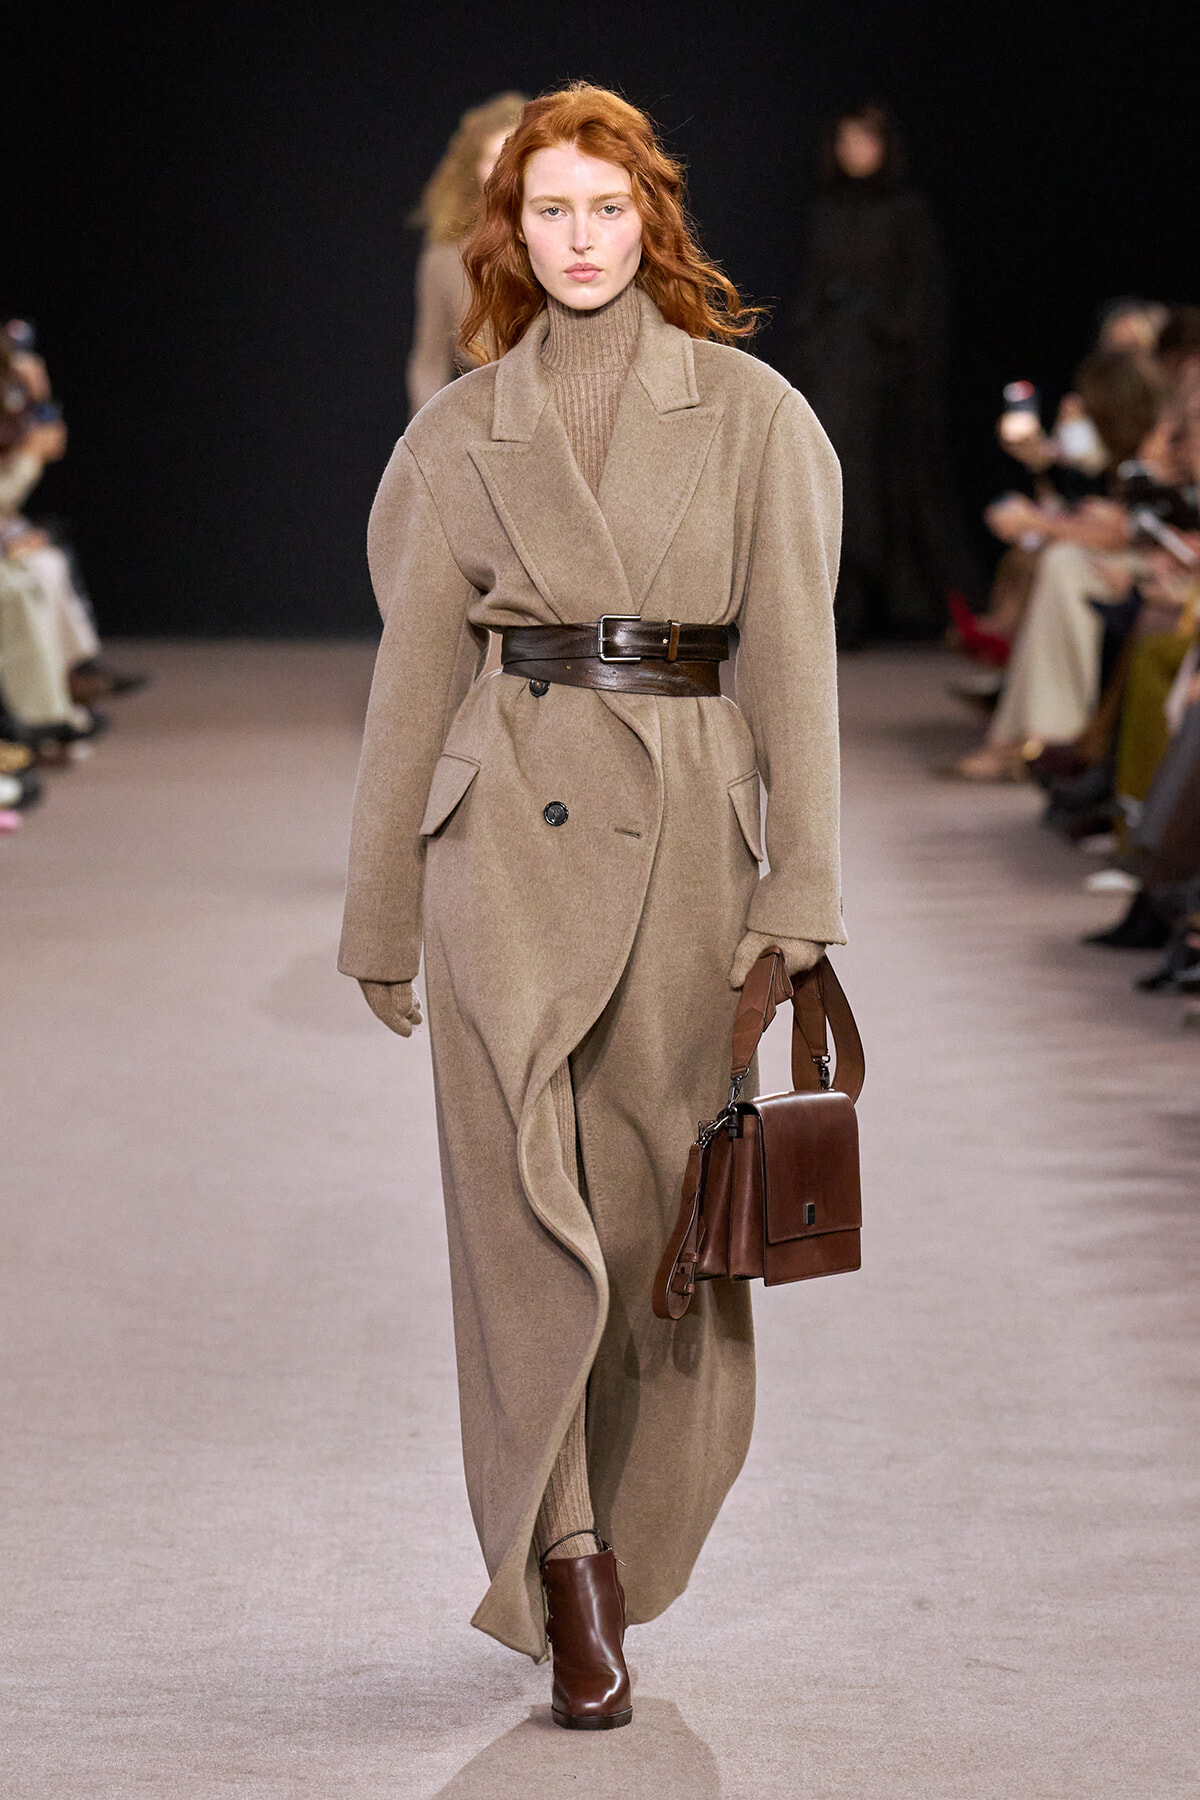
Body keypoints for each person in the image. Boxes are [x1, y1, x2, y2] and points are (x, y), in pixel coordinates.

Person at [340, 82, 844, 1729]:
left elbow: (795, 668)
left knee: (648, 1235)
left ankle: (622, 1530)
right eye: (547, 212)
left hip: (689, 842)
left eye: (604, 210)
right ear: (509, 231)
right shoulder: (462, 432)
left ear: (652, 225)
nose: (576, 239)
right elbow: (411, 681)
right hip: (499, 846)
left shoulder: (756, 415)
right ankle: (565, 1565)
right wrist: (378, 916)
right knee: (518, 1230)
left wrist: (805, 889)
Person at [784, 102, 975, 644]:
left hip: (887, 372)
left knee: (871, 485)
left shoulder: (907, 211)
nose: (855, 152)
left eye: (865, 140)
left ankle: (863, 607)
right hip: (830, 366)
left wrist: (881, 334)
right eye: (846, 141)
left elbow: (922, 296)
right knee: (829, 474)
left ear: (885, 146)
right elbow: (814, 291)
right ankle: (831, 607)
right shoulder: (826, 209)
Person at [406, 93, 527, 418]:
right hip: (482, 422)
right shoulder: (444, 260)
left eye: (513, 155)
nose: (502, 170)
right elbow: (429, 362)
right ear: (474, 167)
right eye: (492, 157)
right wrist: (426, 444)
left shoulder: (563, 242)